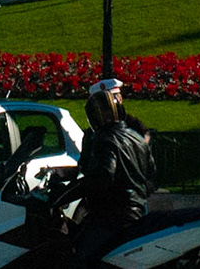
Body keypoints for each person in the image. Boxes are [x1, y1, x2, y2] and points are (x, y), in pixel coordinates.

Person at [69, 79, 156, 269]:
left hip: (113, 216)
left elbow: (103, 176)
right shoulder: (136, 136)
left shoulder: (104, 138)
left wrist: (85, 193)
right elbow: (151, 174)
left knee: (81, 255)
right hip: (134, 211)